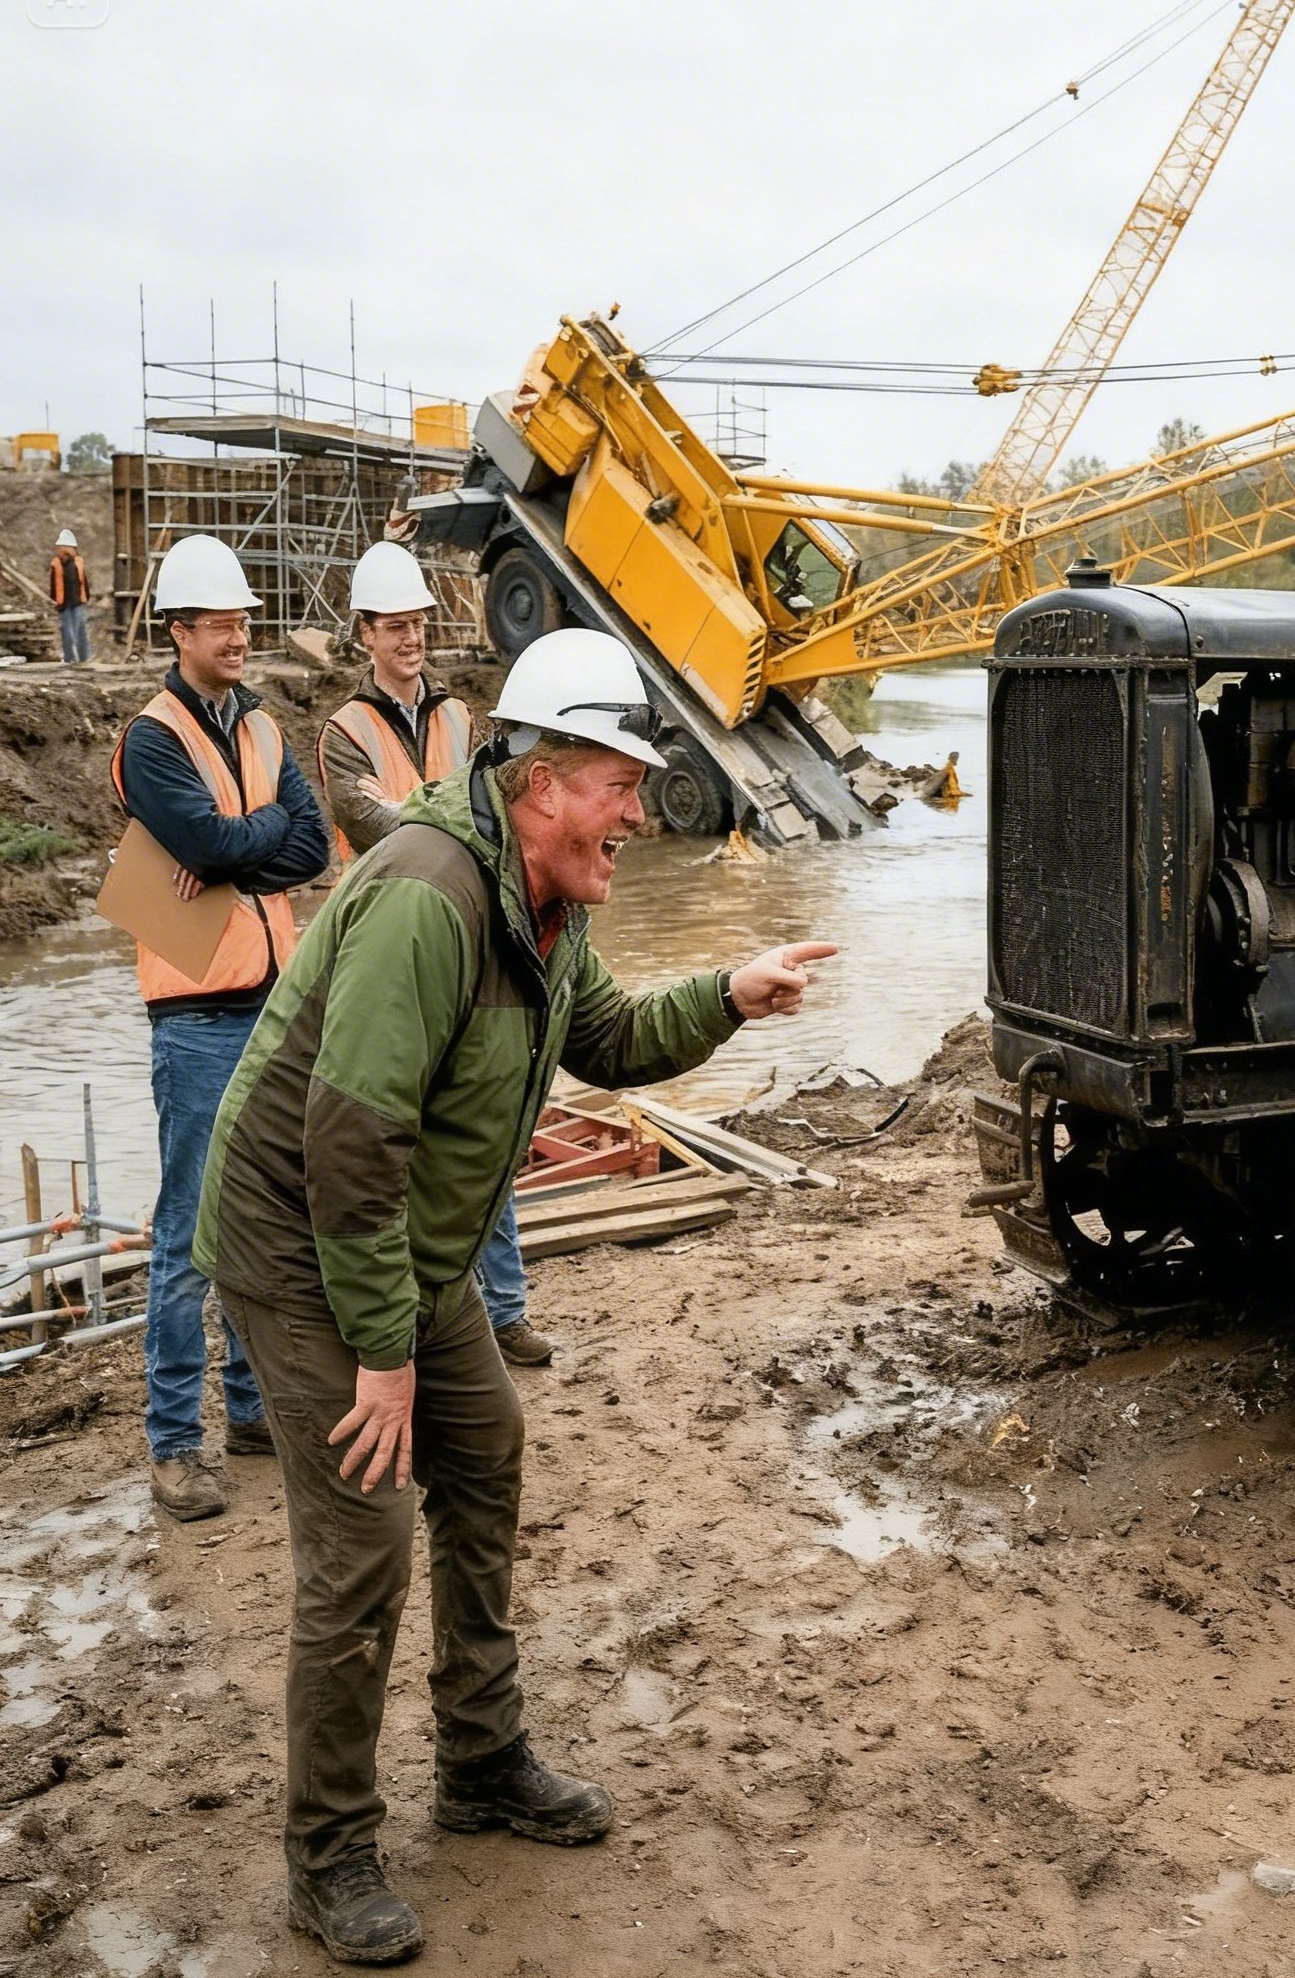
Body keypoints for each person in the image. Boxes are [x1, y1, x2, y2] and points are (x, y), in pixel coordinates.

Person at [193, 625, 838, 1965]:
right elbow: (349, 1143)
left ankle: (482, 1765)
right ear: (545, 780)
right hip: (300, 1240)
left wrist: (728, 992)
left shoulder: (543, 907)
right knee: (363, 1543)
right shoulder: (433, 896)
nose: (638, 815)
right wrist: (383, 1355)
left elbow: (600, 1040)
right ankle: (327, 1857)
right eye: (620, 784)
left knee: (483, 1449)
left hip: (394, 1245)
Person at [111, 534, 331, 1523]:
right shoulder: (151, 738)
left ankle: (248, 1412)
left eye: (245, 619)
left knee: (264, 1220)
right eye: (222, 622)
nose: (240, 634)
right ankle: (172, 1442)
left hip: (271, 1000)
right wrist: (248, 846)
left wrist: (236, 857)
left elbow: (314, 842)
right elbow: (200, 838)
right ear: (180, 629)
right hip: (195, 1009)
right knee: (190, 1235)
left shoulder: (264, 725)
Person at [315, 542, 551, 1368]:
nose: (410, 637)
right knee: (407, 1134)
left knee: (483, 1127)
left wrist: (423, 816)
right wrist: (448, 824)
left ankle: (507, 1308)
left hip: (478, 933)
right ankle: (420, 1320)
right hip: (394, 943)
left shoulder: (458, 717)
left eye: (417, 622)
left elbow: (501, 805)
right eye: (394, 625)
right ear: (367, 635)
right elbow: (365, 825)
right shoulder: (344, 732)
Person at [49, 527, 90, 664]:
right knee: (67, 633)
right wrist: (54, 600)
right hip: (64, 604)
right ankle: (69, 659)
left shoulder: (78, 563)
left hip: (77, 602)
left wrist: (86, 597)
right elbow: (53, 584)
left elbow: (84, 581)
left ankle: (83, 659)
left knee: (80, 632)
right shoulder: (56, 565)